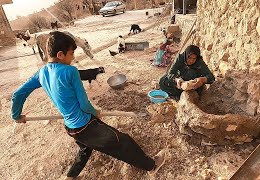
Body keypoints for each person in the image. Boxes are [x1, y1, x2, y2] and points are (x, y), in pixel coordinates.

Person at [11, 31, 166, 179]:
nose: (72, 58)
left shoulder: (41, 73)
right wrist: (95, 112)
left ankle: (70, 177)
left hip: (71, 128)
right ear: (60, 54)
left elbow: (18, 94)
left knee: (85, 148)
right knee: (123, 141)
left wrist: (16, 115)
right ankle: (152, 166)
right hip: (85, 125)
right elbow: (84, 105)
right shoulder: (70, 71)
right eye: (71, 53)